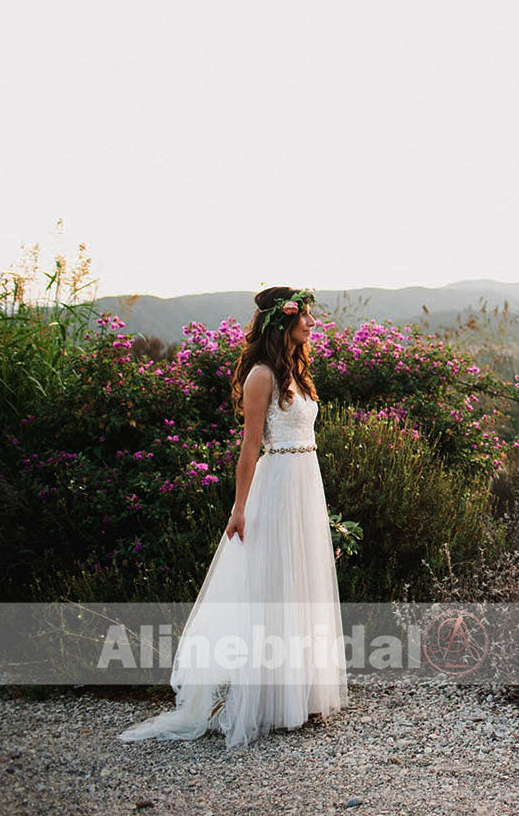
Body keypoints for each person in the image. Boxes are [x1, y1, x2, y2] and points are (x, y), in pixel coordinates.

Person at [118, 286, 349, 749]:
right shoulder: (261, 375)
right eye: (303, 317)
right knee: (276, 585)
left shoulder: (298, 373)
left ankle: (299, 694)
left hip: (306, 480)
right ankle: (268, 700)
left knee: (302, 584)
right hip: (278, 483)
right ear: (282, 323)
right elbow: (248, 448)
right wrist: (239, 507)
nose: (310, 324)